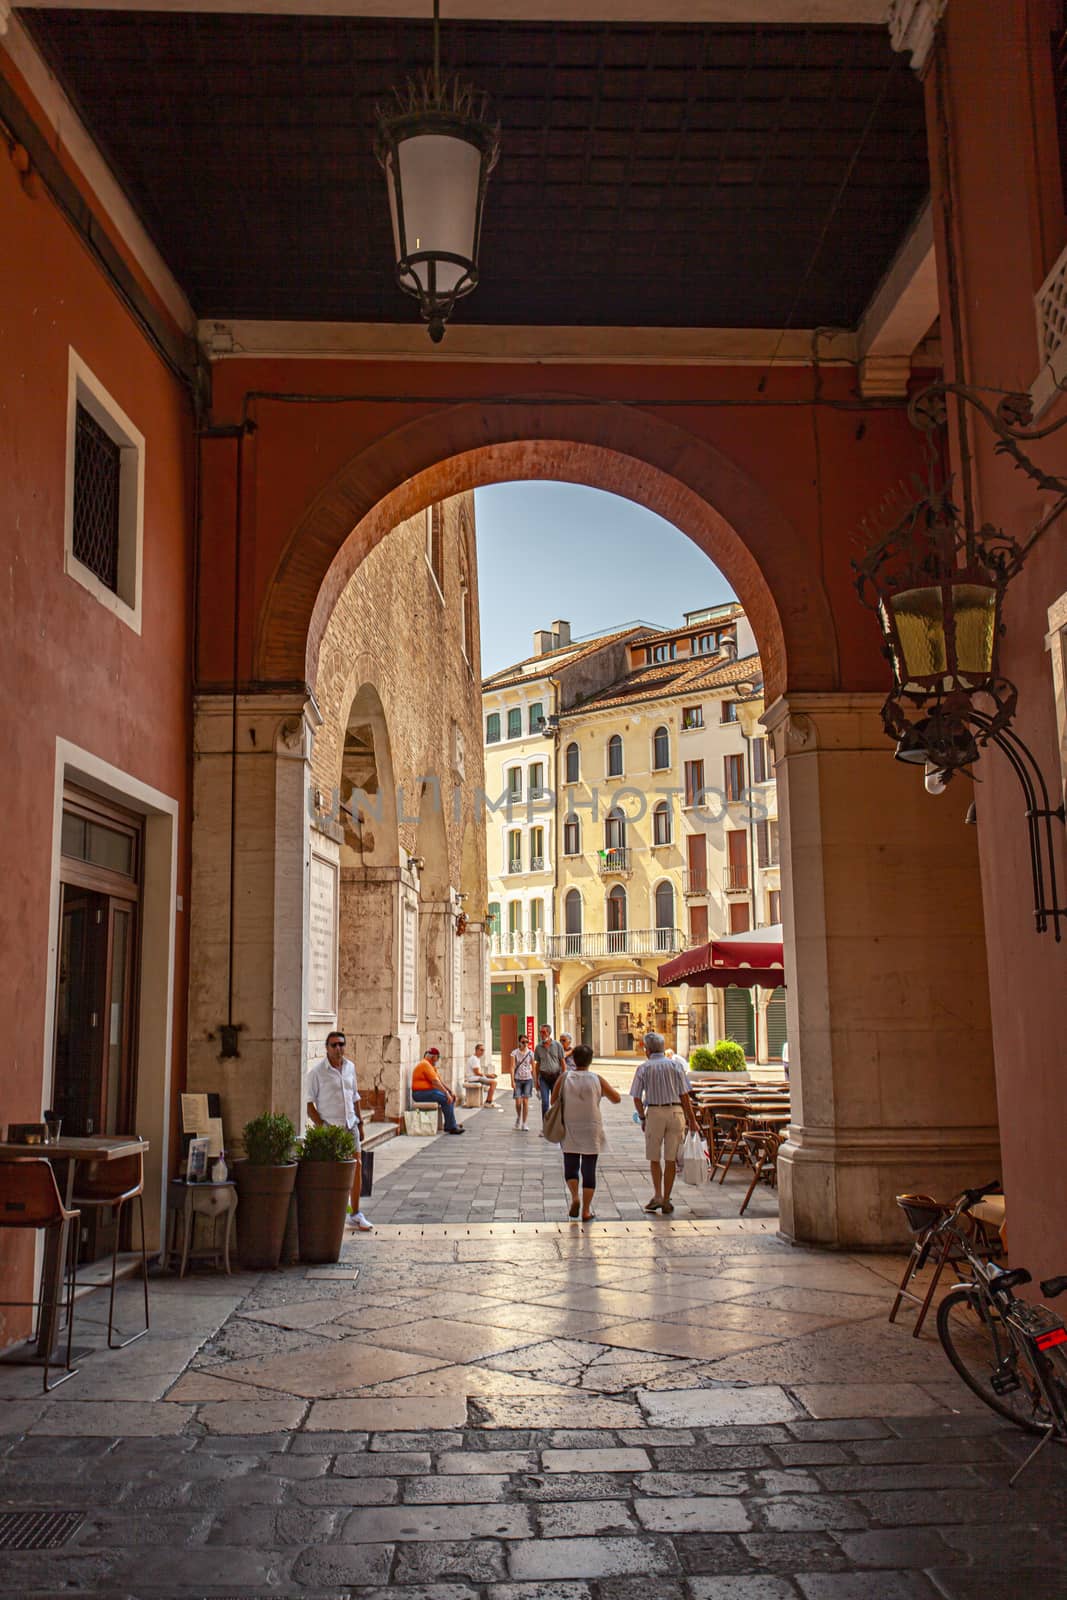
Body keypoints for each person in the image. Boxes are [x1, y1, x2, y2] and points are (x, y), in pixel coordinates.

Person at [306, 1030, 372, 1231]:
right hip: (331, 1128)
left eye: (341, 1044)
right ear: (326, 1048)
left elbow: (355, 1097)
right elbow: (309, 1104)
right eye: (334, 1045)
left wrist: (360, 1123)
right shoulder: (317, 1073)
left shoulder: (350, 1067)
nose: (338, 1049)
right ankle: (331, 1212)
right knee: (333, 1171)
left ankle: (356, 1213)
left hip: (350, 1124)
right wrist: (323, 1127)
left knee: (357, 1165)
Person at [630, 1030, 700, 1216]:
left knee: (654, 1157)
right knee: (670, 1159)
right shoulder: (676, 1066)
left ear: (647, 1050)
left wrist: (642, 1117)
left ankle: (658, 1195)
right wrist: (692, 1120)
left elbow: (636, 1097)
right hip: (676, 1112)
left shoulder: (644, 1068)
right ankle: (667, 1198)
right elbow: (685, 1096)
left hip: (654, 1112)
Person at [551, 1042, 621, 1221]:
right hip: (591, 1126)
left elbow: (553, 1101)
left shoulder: (565, 1078)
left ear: (573, 1059)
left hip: (570, 1126)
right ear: (590, 1060)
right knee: (589, 1168)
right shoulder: (597, 1079)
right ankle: (586, 1210)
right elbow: (617, 1098)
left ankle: (575, 1197)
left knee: (571, 1165)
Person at [411, 1047, 465, 1134]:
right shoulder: (425, 1064)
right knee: (446, 1099)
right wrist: (446, 1094)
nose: (438, 1059)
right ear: (433, 1057)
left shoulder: (431, 1066)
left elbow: (439, 1081)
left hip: (429, 1092)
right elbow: (435, 1082)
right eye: (437, 1057)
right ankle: (451, 1126)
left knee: (449, 1097)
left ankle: (450, 1124)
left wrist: (449, 1091)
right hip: (420, 1094)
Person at [534, 1023, 566, 1124]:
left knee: (556, 1103)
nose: (541, 1034)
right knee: (545, 1103)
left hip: (556, 1077)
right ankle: (546, 1126)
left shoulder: (557, 1045)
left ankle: (557, 1125)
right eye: (540, 1032)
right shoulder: (538, 1047)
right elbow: (537, 1065)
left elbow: (563, 1063)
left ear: (549, 1033)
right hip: (544, 1078)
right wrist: (536, 1081)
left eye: (543, 1032)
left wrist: (563, 1078)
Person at [510, 1034, 535, 1131]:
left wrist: (536, 1081)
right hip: (518, 1079)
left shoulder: (531, 1053)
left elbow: (533, 1067)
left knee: (525, 1101)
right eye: (523, 1042)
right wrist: (512, 1081)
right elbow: (512, 1067)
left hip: (528, 1079)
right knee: (518, 1102)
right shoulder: (514, 1053)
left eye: (527, 1042)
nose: (525, 1044)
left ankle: (524, 1123)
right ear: (519, 1042)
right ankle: (518, 1117)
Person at [466, 1042, 500, 1107]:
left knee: (493, 1081)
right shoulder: (474, 1059)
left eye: (483, 1050)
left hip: (475, 1077)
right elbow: (477, 1073)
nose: (482, 1052)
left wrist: (488, 1076)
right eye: (481, 1050)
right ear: (476, 1050)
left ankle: (489, 1101)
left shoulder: (476, 1058)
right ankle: (488, 1102)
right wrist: (489, 1075)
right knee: (494, 1082)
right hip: (473, 1078)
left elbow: (478, 1073)